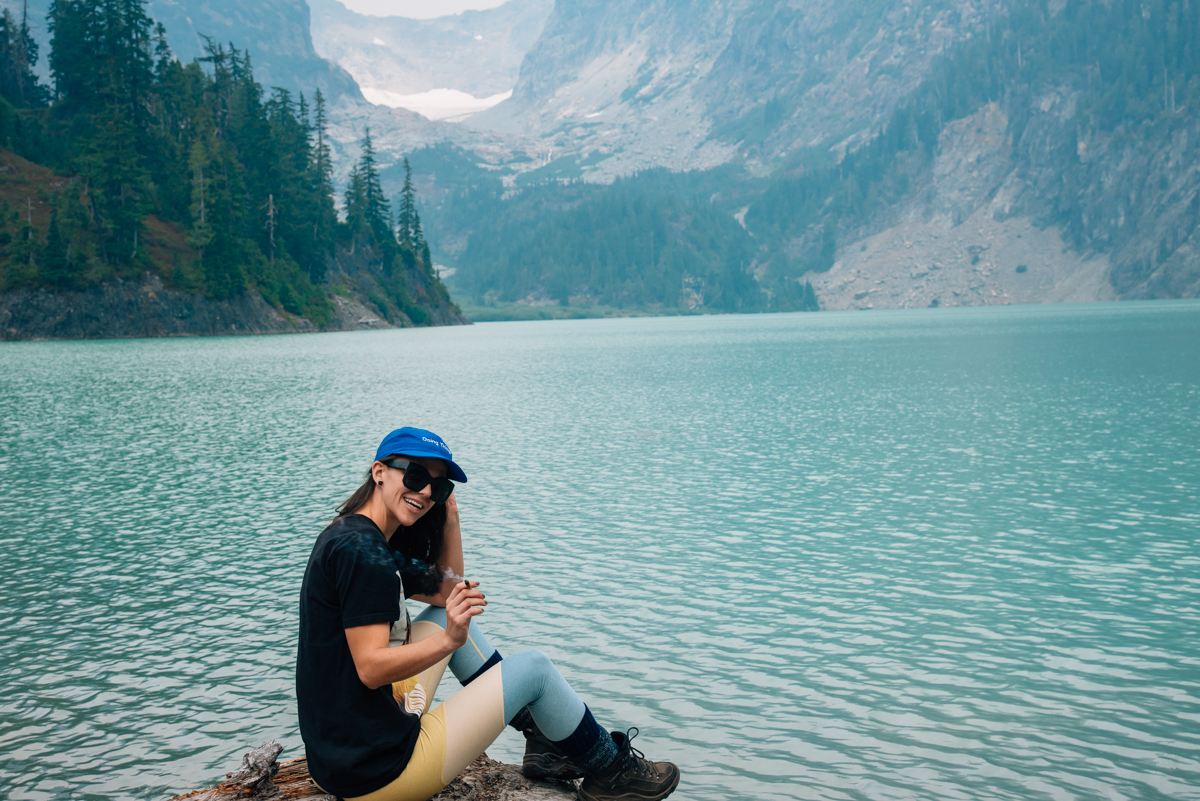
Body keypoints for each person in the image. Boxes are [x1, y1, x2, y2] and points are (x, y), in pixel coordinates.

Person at [296, 427, 680, 801]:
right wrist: (450, 641)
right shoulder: (364, 556)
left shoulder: (356, 536)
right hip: (379, 774)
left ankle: (548, 742)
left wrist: (450, 517)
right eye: (415, 475)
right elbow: (371, 668)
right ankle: (611, 772)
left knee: (446, 613)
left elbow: (447, 590)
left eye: (439, 486)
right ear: (379, 472)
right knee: (534, 668)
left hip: (342, 754)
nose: (426, 491)